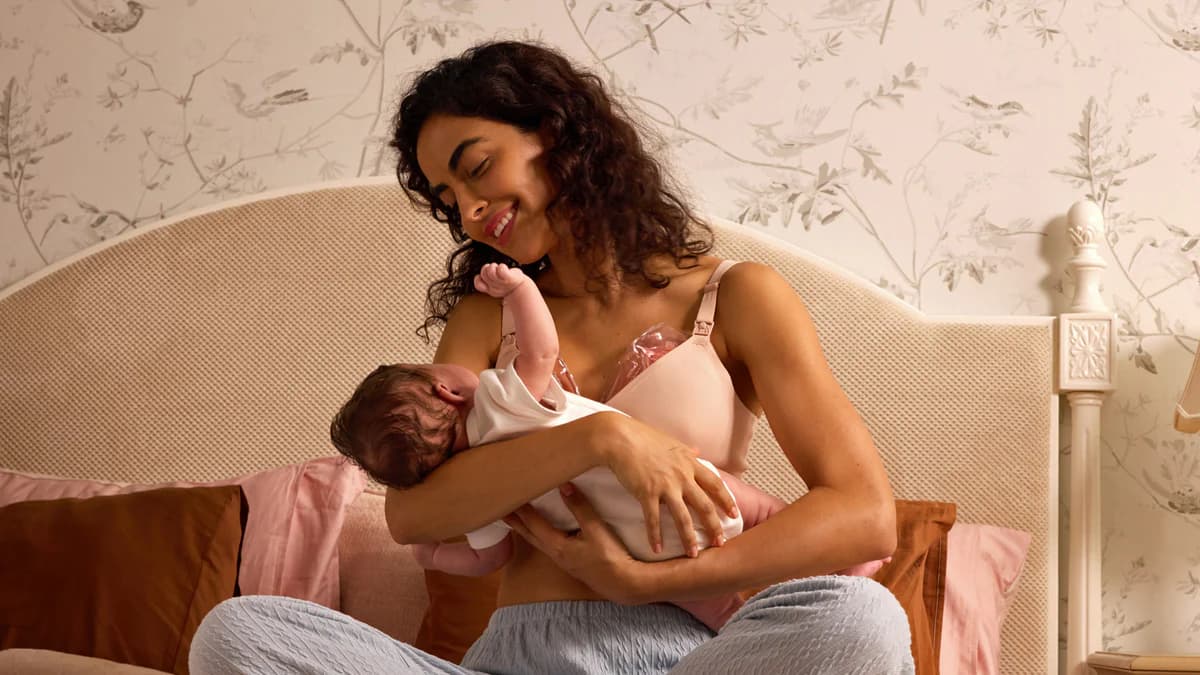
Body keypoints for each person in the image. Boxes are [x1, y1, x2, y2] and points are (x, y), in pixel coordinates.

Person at [191, 40, 913, 674]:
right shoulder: (488, 315)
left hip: (698, 660)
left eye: (476, 168)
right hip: (512, 658)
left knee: (862, 620)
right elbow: (416, 514)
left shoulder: (734, 297)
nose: (470, 210)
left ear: (557, 132)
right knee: (239, 634)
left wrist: (641, 582)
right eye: (449, 199)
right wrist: (599, 438)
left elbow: (864, 515)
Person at [329, 261, 818, 631]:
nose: (471, 207)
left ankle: (741, 625)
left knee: (772, 615)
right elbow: (541, 350)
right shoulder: (499, 401)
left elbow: (487, 558)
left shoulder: (478, 487)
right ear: (448, 391)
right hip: (696, 503)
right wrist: (519, 290)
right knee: (760, 512)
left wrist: (436, 558)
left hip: (651, 561)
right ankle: (807, 577)